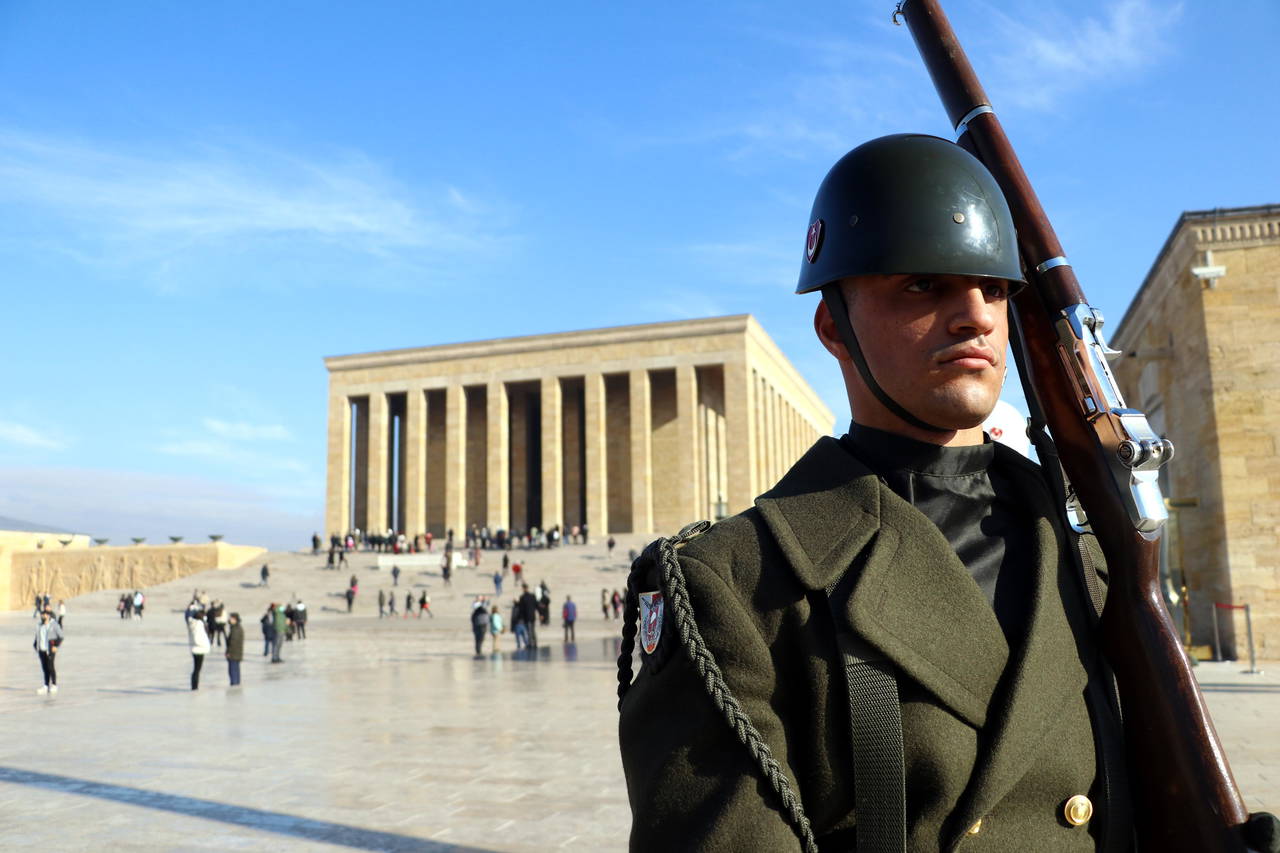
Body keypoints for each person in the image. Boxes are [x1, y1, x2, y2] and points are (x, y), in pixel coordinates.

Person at [617, 134, 1132, 850]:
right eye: (924, 284)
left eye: (993, 288)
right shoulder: (734, 583)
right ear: (834, 327)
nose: (975, 315)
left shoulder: (1087, 540)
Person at [34, 607, 63, 694]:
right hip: (41, 650)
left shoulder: (54, 625)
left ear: (48, 616)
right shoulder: (39, 625)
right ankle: (46, 685)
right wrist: (36, 646)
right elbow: (37, 637)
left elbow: (61, 636)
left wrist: (55, 645)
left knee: (50, 667)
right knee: (44, 668)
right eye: (42, 615)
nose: (43, 617)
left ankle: (54, 684)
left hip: (50, 650)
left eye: (45, 615)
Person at [187, 608, 210, 690]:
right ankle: (194, 686)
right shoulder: (198, 625)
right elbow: (198, 638)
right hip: (199, 649)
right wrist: (203, 644)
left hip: (195, 648)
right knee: (197, 669)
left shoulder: (193, 624)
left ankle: (195, 685)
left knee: (196, 669)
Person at [517, 584, 539, 649]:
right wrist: (540, 613)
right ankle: (534, 643)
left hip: (527, 617)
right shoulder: (532, 596)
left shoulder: (522, 597)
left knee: (529, 630)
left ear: (524, 588)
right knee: (532, 630)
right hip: (532, 616)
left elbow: (521, 608)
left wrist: (519, 617)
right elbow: (536, 605)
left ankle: (530, 643)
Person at [225, 612, 244, 686]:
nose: (229, 620)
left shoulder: (236, 629)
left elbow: (233, 642)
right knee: (235, 669)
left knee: (233, 670)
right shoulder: (235, 627)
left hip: (234, 653)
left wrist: (228, 652)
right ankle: (235, 682)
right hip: (236, 653)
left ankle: (234, 683)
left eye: (231, 618)